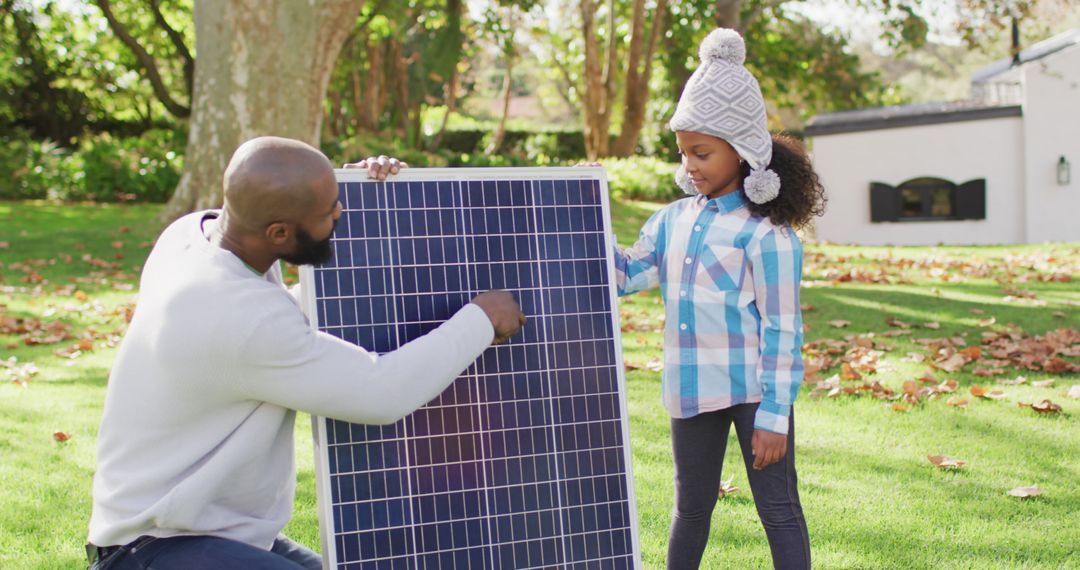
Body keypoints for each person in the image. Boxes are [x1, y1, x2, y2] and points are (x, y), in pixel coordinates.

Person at [86, 137, 526, 569]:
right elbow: (381, 392)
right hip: (151, 547)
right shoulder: (239, 316)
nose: (341, 215)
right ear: (279, 232)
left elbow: (295, 309)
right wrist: (481, 320)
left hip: (216, 531)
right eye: (329, 212)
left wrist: (354, 190)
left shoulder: (192, 235)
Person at [612, 29, 824, 570]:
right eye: (684, 154)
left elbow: (783, 329)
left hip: (755, 393)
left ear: (744, 149)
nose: (690, 166)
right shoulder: (671, 220)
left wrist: (776, 413)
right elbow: (627, 275)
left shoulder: (767, 236)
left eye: (702, 153)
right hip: (690, 389)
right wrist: (575, 219)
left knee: (777, 507)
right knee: (690, 507)